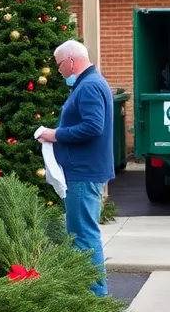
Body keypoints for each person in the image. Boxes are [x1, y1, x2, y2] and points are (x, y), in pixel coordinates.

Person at [35, 39, 114, 297]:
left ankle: (95, 298)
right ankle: (91, 294)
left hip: (83, 172)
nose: (59, 72)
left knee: (83, 236)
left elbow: (93, 127)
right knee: (82, 233)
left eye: (59, 66)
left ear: (70, 61)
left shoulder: (89, 86)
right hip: (84, 170)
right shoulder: (90, 83)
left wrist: (55, 134)